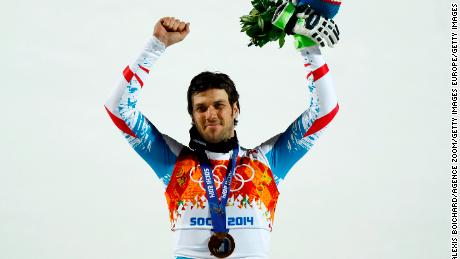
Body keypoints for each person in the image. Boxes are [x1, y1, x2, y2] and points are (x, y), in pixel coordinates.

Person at [104, 13, 339, 259]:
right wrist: (156, 44)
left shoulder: (266, 162)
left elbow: (324, 109)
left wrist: (306, 41)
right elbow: (118, 108)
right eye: (201, 108)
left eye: (219, 105)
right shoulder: (174, 163)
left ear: (235, 109)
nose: (211, 114)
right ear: (192, 115)